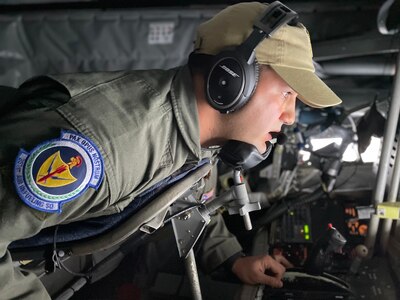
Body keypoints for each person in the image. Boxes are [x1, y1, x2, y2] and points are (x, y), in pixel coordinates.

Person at [0, 1, 342, 299]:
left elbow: (188, 198)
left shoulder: (200, 141)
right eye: (286, 94)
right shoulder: (107, 148)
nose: (291, 116)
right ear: (233, 79)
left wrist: (231, 258)